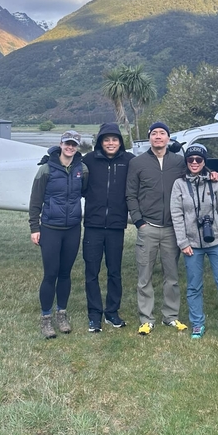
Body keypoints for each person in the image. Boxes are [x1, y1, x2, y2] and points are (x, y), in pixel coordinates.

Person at [170, 143, 218, 342]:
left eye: (199, 160)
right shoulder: (179, 184)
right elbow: (176, 215)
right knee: (194, 286)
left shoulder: (215, 181)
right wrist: (182, 242)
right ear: (186, 162)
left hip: (217, 241)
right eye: (190, 160)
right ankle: (197, 323)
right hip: (192, 244)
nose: (194, 163)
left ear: (204, 162)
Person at [126, 121, 190, 335]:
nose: (158, 137)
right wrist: (138, 222)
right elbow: (130, 194)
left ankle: (170, 316)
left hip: (173, 229)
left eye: (162, 133)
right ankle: (147, 318)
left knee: (171, 276)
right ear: (149, 138)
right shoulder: (138, 163)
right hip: (148, 227)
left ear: (168, 138)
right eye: (154, 133)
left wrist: (212, 174)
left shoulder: (179, 162)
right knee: (144, 276)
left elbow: (195, 176)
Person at [29, 130, 88, 339]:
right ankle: (46, 318)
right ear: (61, 144)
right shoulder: (46, 169)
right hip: (50, 228)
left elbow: (85, 192)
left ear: (77, 147)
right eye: (67, 143)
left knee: (65, 273)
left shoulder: (82, 169)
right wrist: (34, 228)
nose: (70, 147)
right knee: (50, 274)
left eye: (74, 144)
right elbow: (35, 200)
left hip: (72, 228)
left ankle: (61, 314)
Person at [82, 122, 134, 332]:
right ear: (100, 142)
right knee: (91, 272)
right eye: (106, 139)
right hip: (93, 225)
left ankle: (112, 312)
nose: (110, 143)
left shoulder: (129, 161)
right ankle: (95, 315)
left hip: (115, 226)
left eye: (114, 139)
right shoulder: (88, 161)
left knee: (115, 272)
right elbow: (68, 164)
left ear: (120, 142)